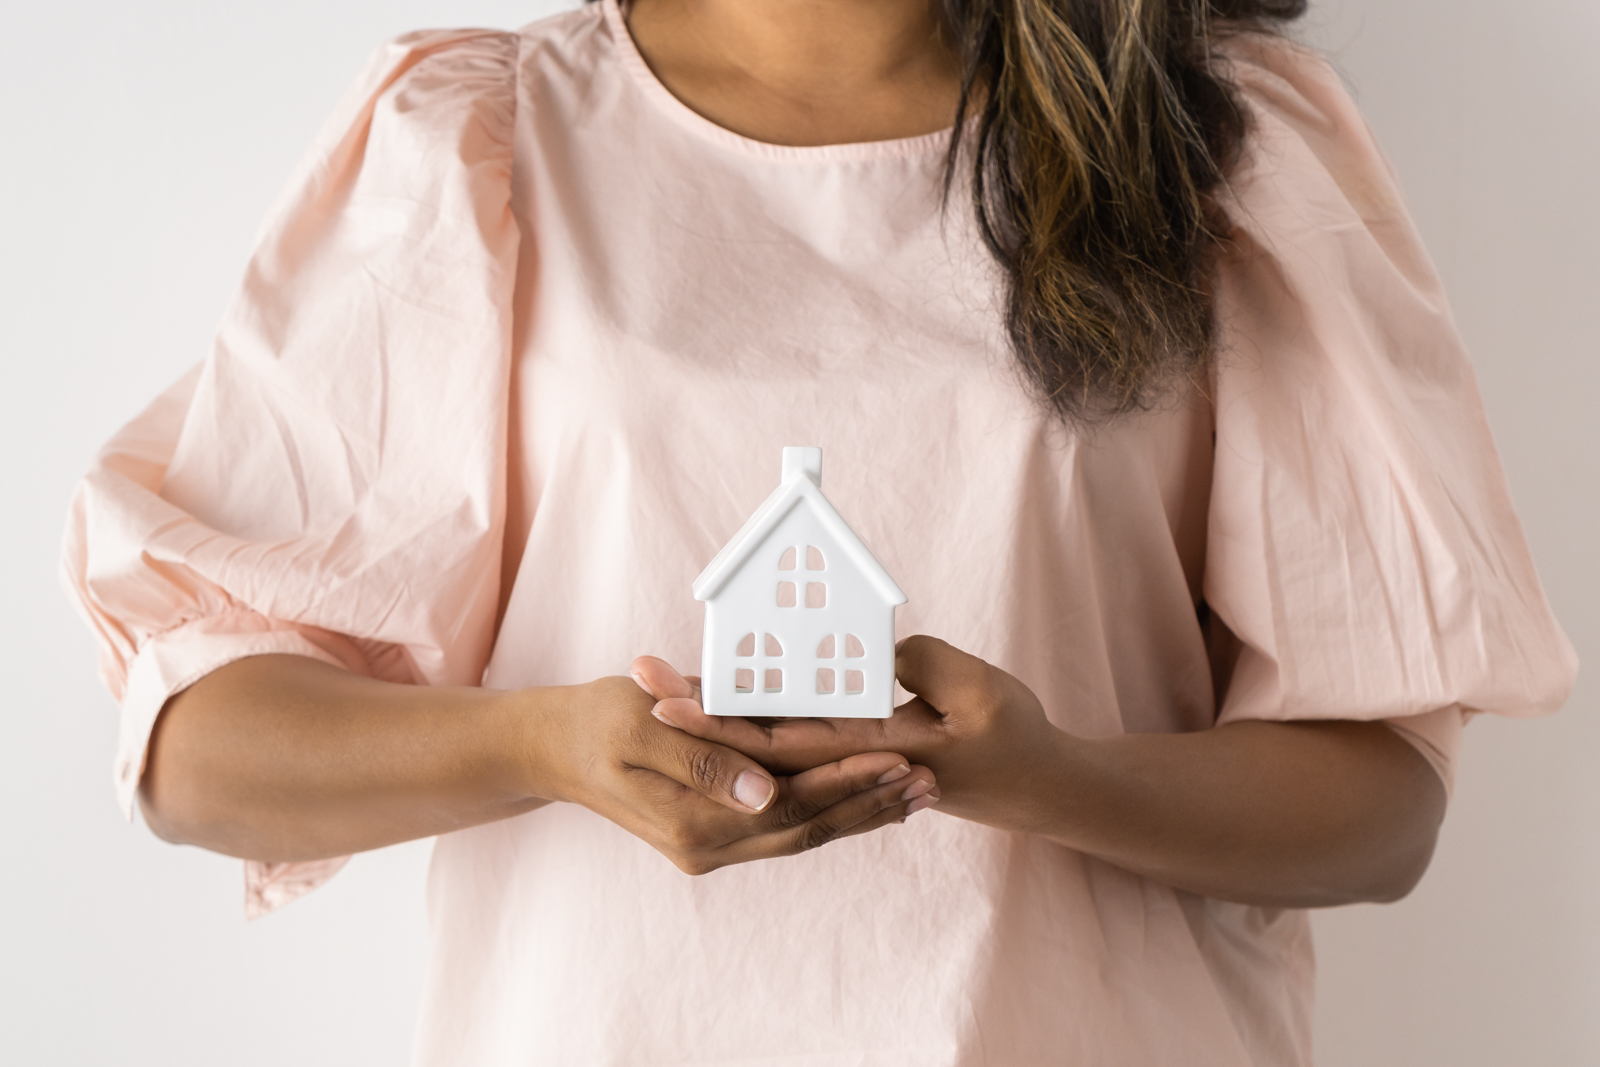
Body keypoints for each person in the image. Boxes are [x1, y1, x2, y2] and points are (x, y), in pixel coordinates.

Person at [62, 0, 1576, 1062]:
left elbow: (1383, 808)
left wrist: (1052, 778)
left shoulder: (1210, 145)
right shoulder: (483, 141)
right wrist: (543, 750)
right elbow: (198, 756)